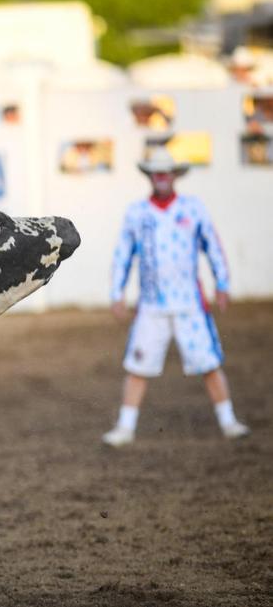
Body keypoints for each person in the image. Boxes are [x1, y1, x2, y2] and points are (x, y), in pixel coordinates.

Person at [102, 147, 250, 447]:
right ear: (150, 176)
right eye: (156, 172)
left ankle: (228, 420)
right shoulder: (136, 213)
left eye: (165, 171)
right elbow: (122, 256)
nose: (161, 176)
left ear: (174, 175)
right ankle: (125, 426)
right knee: (137, 366)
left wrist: (222, 284)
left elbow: (213, 245)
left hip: (189, 304)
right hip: (151, 305)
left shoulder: (193, 209)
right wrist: (116, 294)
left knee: (208, 363)